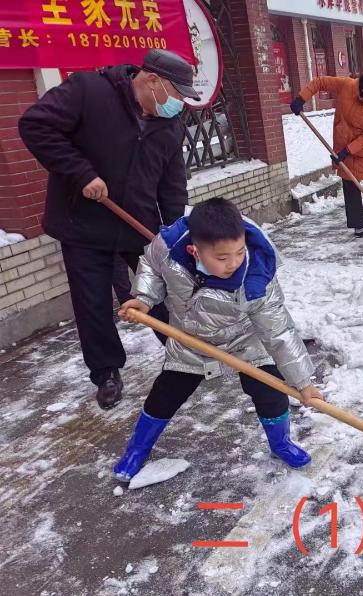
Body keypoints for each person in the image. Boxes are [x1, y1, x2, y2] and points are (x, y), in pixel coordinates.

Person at [18, 49, 199, 410]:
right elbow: (35, 125)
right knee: (92, 302)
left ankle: (184, 351)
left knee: (162, 289)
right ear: (151, 80)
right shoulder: (88, 91)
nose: (178, 104)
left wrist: (171, 230)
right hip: (84, 223)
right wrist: (81, 173)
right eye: (177, 94)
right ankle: (106, 372)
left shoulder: (169, 123)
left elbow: (171, 181)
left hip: (139, 224)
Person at [114, 197, 323, 481]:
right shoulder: (169, 247)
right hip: (190, 341)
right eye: (223, 258)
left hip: (245, 342)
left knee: (271, 394)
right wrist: (144, 298)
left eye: (239, 252)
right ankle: (137, 449)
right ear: (194, 251)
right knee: (164, 396)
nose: (234, 263)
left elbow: (279, 331)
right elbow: (150, 264)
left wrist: (303, 382)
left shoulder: (256, 278)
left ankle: (281, 443)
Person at [290, 70, 363, 238]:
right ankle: (358, 226)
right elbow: (320, 82)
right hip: (343, 141)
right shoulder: (347, 85)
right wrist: (301, 98)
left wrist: (347, 151)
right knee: (350, 184)